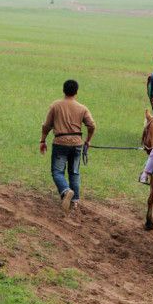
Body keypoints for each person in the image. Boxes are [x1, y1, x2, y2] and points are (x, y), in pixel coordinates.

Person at [40, 80, 96, 213]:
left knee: (57, 172)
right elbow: (92, 125)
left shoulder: (55, 106)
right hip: (77, 144)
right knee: (74, 172)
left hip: (60, 143)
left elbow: (46, 125)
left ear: (63, 90)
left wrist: (42, 140)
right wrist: (87, 140)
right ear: (76, 92)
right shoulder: (82, 108)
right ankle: (75, 201)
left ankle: (66, 191)